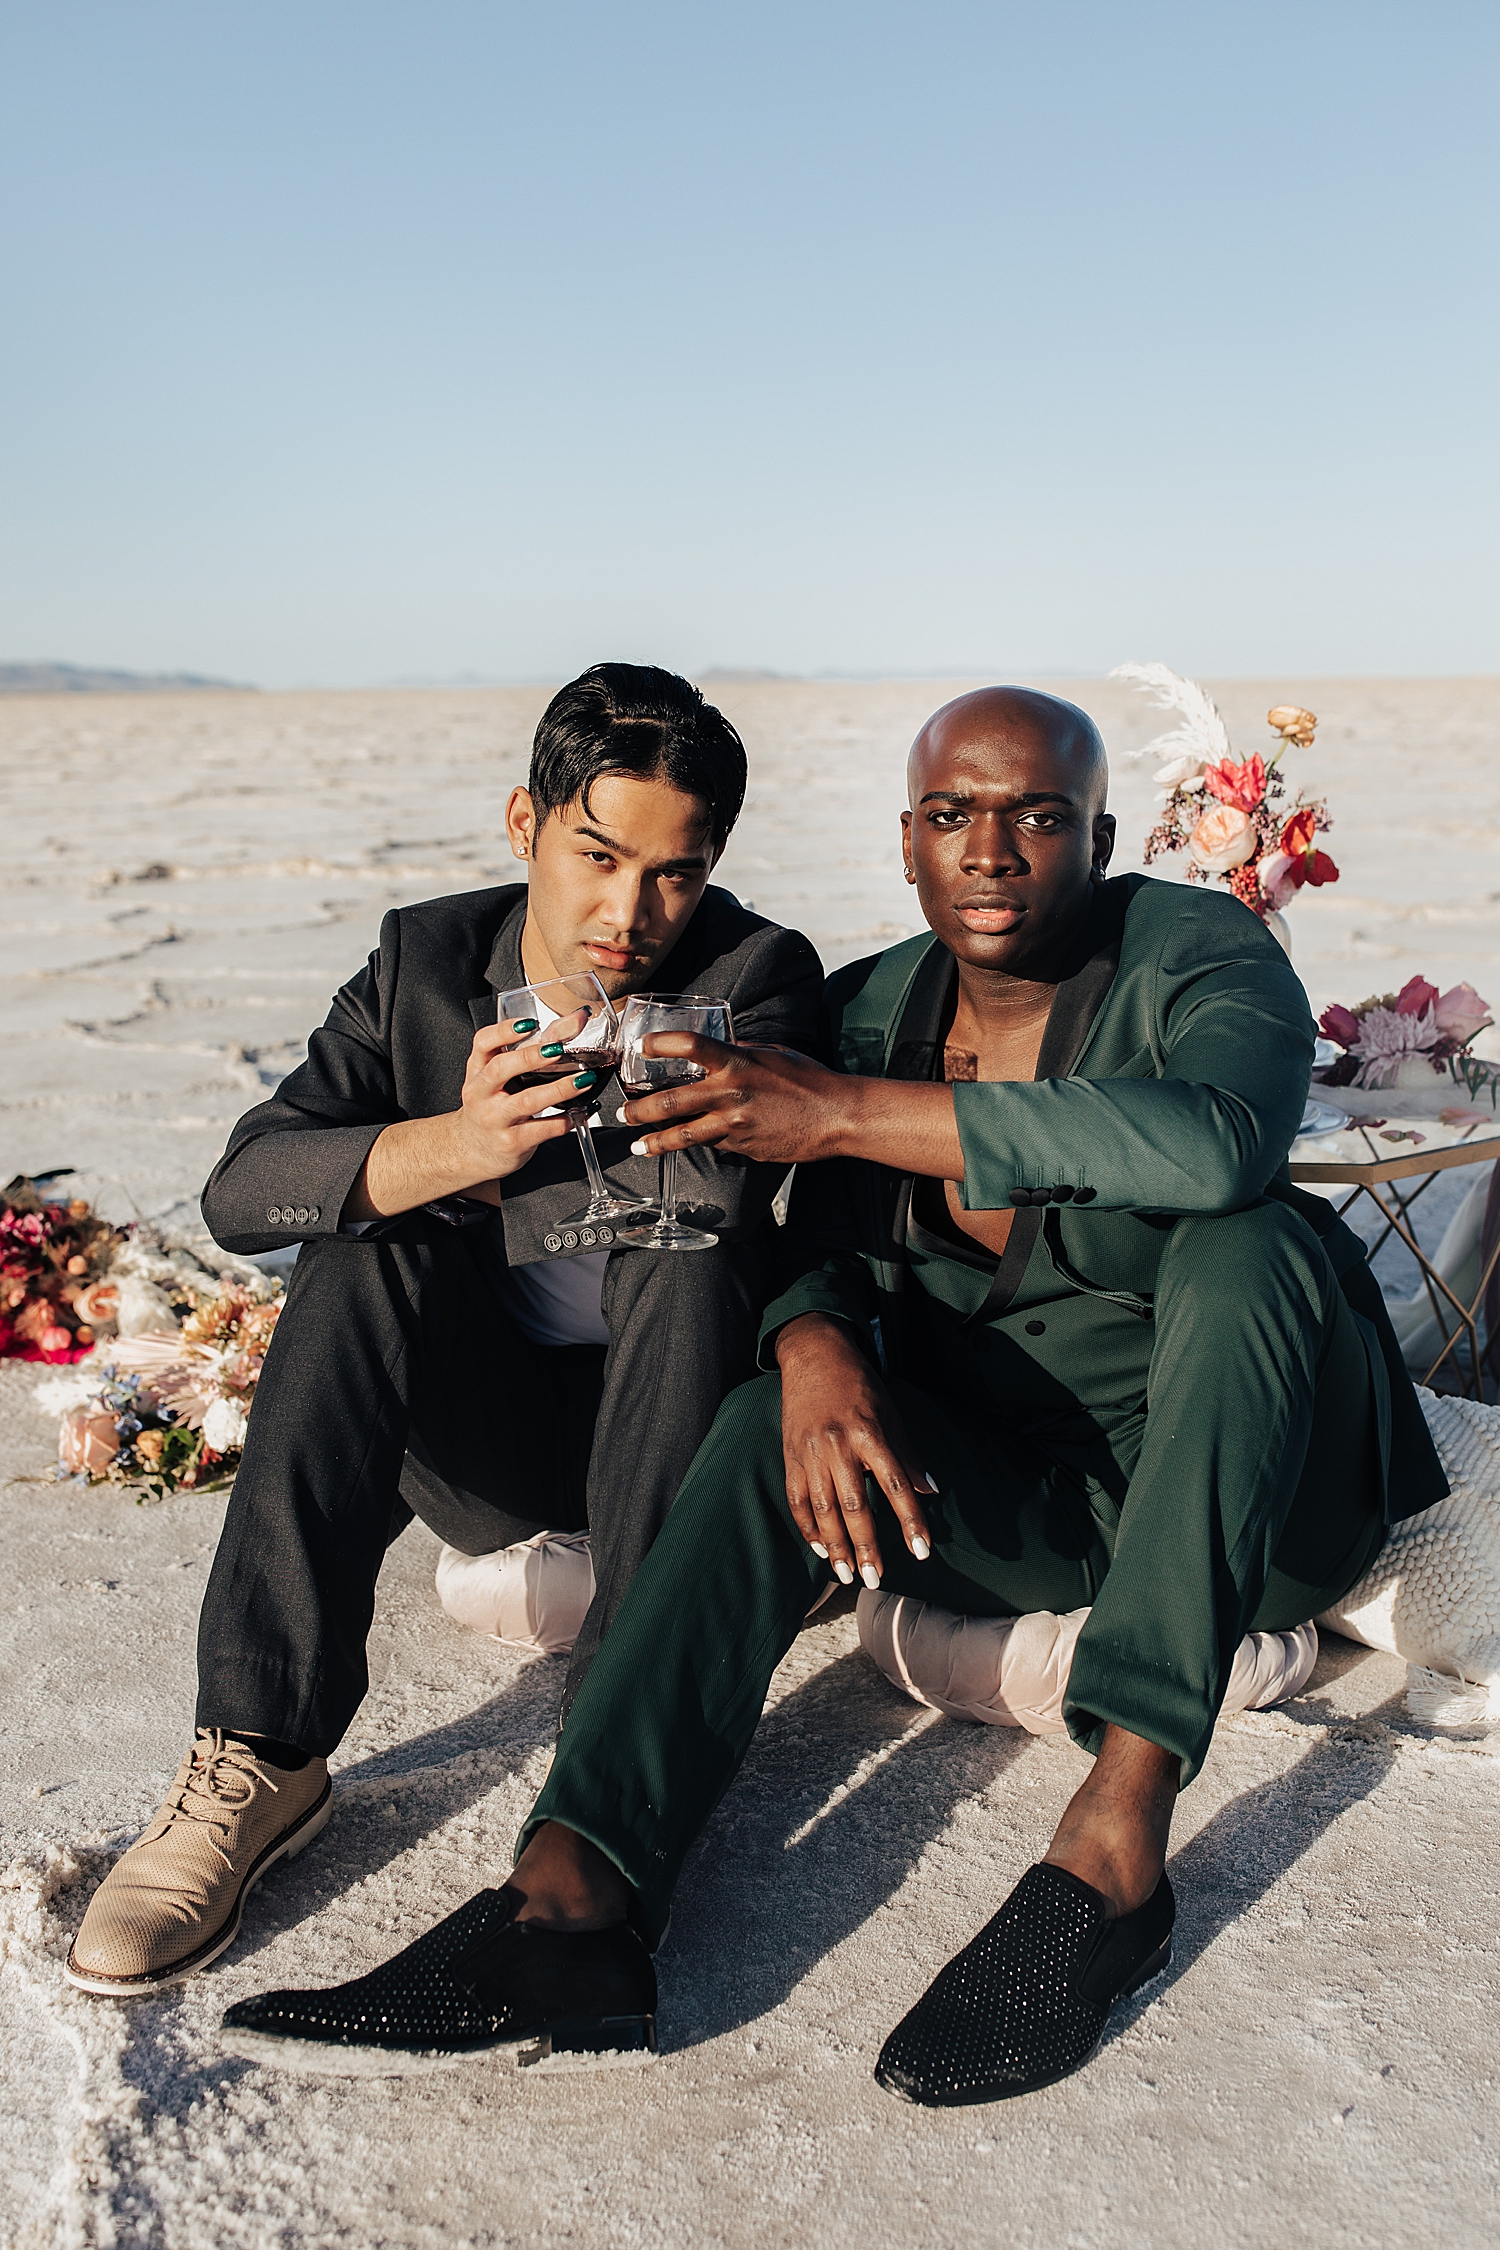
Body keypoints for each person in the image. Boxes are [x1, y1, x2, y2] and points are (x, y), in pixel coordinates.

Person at [213, 686, 1445, 2103]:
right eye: (950, 817)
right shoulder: (867, 1007)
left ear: (1100, 837)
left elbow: (1217, 1140)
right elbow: (798, 1242)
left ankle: (1115, 1845)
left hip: (1255, 1496)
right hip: (1027, 1501)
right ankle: (572, 1894)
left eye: (1037, 816)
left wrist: (840, 1113)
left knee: (1250, 1243)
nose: (990, 850)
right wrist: (814, 1345)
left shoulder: (1197, 954)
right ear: (905, 847)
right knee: (770, 1420)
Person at [66, 662, 822, 2001]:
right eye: (597, 854)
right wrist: (455, 1146)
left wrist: (640, 1088)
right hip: (488, 1451)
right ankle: (259, 1748)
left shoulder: (756, 971)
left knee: (685, 1248)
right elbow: (245, 1190)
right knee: (365, 1245)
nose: (629, 911)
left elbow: (726, 1198)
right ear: (523, 824)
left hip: (672, 1430)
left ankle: (607, 1770)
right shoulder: (424, 965)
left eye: (674, 874)